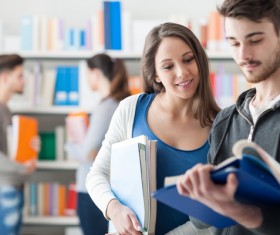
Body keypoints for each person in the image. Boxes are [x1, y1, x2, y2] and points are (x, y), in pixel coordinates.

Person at [86, 22, 220, 235]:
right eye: (168, 66)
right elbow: (97, 174)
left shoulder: (221, 126)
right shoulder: (131, 109)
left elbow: (214, 215)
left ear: (199, 60)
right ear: (155, 74)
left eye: (188, 59)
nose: (182, 72)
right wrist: (114, 209)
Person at [177, 0, 280, 234]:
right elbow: (203, 222)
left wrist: (245, 213)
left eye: (255, 40)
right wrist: (199, 194)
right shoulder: (225, 121)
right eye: (233, 43)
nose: (243, 54)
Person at [65, 53, 131, 235]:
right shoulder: (119, 103)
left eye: (87, 74)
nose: (86, 79)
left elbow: (88, 153)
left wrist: (70, 144)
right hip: (108, 189)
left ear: (95, 73)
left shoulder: (106, 107)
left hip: (93, 191)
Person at [0, 54, 37, 235]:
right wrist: (22, 167)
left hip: (12, 186)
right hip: (4, 189)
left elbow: (10, 150)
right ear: (5, 78)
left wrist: (31, 147)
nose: (24, 81)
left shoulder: (6, 109)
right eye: (20, 75)